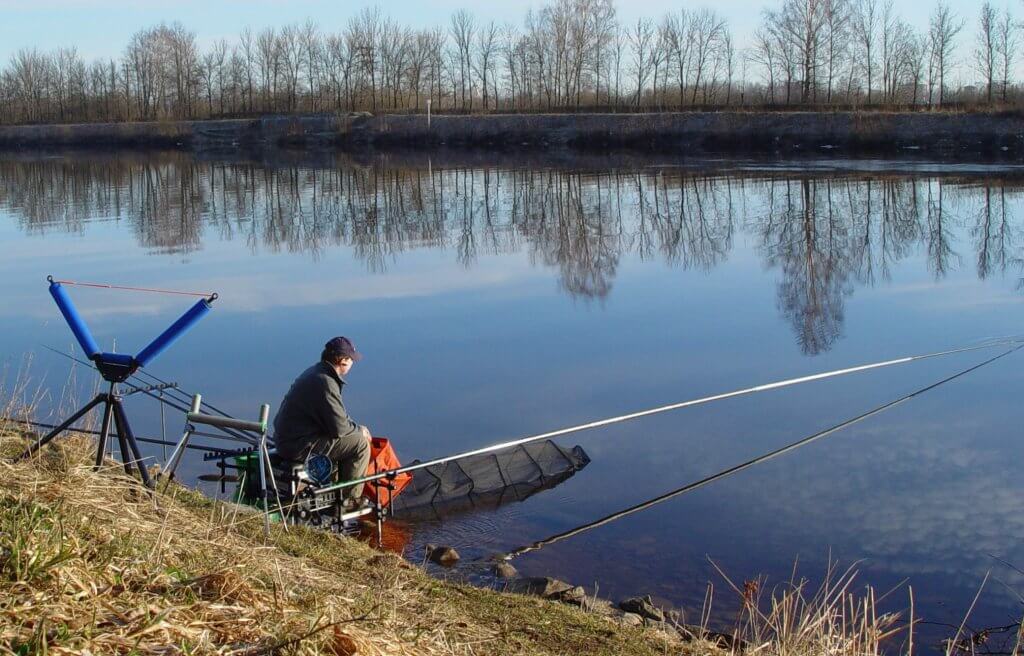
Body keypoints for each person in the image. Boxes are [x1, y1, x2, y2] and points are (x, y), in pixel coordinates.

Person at [273, 336, 372, 507]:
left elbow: (337, 416)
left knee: (352, 436)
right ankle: (348, 502)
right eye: (351, 359)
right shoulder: (325, 382)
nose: (352, 363)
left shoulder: (317, 373)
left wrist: (355, 427)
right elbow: (339, 428)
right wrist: (359, 431)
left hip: (288, 439)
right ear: (342, 360)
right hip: (297, 445)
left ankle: (333, 490)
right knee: (360, 445)